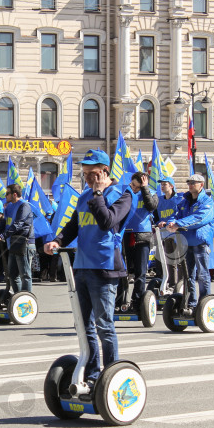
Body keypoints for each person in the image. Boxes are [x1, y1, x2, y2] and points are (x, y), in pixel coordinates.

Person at [43, 149, 133, 383]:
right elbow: (74, 224)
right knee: (84, 326)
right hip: (82, 266)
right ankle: (93, 374)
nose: (87, 179)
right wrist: (58, 240)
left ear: (105, 171)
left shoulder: (122, 195)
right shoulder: (85, 197)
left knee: (104, 325)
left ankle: (111, 374)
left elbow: (107, 222)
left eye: (92, 174)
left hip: (104, 267)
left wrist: (99, 193)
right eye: (84, 174)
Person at [166, 173, 214, 315]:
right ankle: (192, 303)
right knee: (189, 276)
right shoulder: (184, 201)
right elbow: (176, 214)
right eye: (189, 182)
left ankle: (204, 303)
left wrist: (178, 224)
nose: (190, 185)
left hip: (200, 243)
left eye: (193, 182)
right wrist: (168, 222)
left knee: (203, 275)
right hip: (187, 243)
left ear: (201, 185)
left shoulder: (206, 202)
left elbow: (199, 218)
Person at [122, 171, 157, 311]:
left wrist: (144, 188)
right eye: (133, 185)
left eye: (137, 186)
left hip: (142, 235)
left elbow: (151, 207)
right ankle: (122, 300)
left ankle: (137, 301)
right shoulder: (127, 193)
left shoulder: (151, 193)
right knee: (125, 271)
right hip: (126, 234)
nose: (134, 188)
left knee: (140, 272)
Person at [0, 184, 35, 293]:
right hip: (13, 243)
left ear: (14, 194)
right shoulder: (9, 206)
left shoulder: (24, 206)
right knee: (13, 274)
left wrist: (1, 237)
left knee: (25, 274)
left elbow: (17, 224)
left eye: (7, 193)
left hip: (24, 243)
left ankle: (26, 300)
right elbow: (4, 222)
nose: (5, 196)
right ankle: (18, 298)